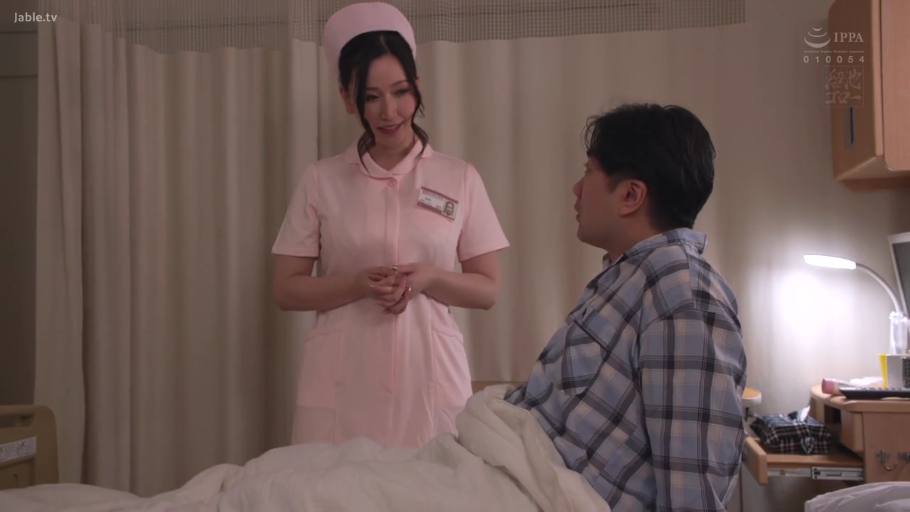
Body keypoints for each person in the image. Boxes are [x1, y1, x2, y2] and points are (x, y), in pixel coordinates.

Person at [271, 2, 509, 449]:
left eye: (401, 91)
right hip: (342, 381)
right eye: (371, 97)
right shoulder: (322, 179)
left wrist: (430, 278)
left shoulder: (459, 177)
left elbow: (487, 290)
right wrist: (356, 285)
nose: (389, 111)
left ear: (417, 85)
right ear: (348, 99)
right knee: (334, 482)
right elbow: (286, 290)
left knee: (432, 481)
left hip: (429, 378)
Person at [504, 103, 747, 511]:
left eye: (588, 172)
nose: (576, 189)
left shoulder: (682, 296)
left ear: (631, 195)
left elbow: (691, 494)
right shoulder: (629, 278)